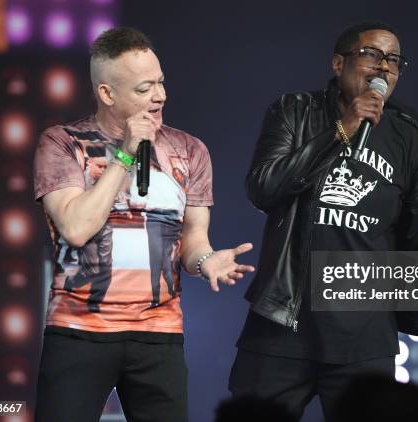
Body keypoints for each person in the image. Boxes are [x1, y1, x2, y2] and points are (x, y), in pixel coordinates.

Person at [229, 20, 418, 421]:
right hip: (283, 324)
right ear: (339, 63)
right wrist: (343, 129)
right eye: (371, 54)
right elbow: (263, 187)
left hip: (364, 336)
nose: (384, 67)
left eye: (394, 61)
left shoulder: (411, 141)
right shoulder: (294, 111)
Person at [33, 27, 254, 422]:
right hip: (79, 329)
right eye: (144, 88)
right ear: (107, 94)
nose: (160, 96)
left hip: (158, 334)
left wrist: (206, 262)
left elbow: (193, 242)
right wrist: (124, 155)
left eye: (161, 83)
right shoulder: (63, 143)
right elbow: (77, 228)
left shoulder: (190, 150)